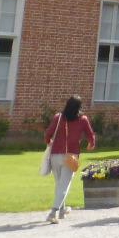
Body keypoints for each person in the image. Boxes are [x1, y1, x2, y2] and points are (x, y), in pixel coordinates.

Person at [43, 95, 95, 224]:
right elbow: (90, 135)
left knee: (59, 184)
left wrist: (49, 142)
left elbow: (48, 134)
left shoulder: (58, 117)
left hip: (55, 154)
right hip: (72, 155)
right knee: (64, 185)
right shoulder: (83, 119)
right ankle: (53, 212)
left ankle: (61, 210)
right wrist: (91, 144)